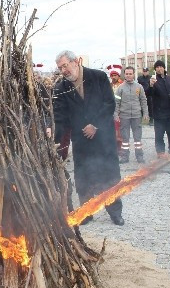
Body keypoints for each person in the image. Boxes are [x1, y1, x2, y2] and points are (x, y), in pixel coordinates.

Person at [53, 50, 124, 226]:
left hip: (103, 138)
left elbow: (109, 103)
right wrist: (54, 137)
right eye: (60, 68)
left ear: (75, 62)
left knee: (109, 176)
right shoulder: (61, 88)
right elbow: (60, 116)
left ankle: (115, 212)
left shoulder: (98, 77)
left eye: (65, 65)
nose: (63, 70)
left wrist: (95, 124)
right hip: (81, 141)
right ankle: (86, 212)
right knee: (83, 178)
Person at [114, 67, 149, 163]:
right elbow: (116, 102)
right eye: (127, 74)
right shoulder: (120, 88)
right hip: (124, 116)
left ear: (133, 74)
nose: (128, 75)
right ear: (124, 75)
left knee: (137, 138)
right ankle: (125, 157)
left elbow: (143, 101)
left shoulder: (139, 87)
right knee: (125, 138)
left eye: (130, 74)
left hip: (136, 116)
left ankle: (139, 156)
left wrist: (145, 113)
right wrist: (116, 114)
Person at [149, 60, 170, 157]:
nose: (159, 69)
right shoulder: (153, 80)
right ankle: (160, 152)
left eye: (161, 66)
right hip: (159, 114)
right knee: (159, 135)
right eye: (157, 67)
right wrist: (151, 86)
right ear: (155, 69)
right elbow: (149, 94)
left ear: (164, 68)